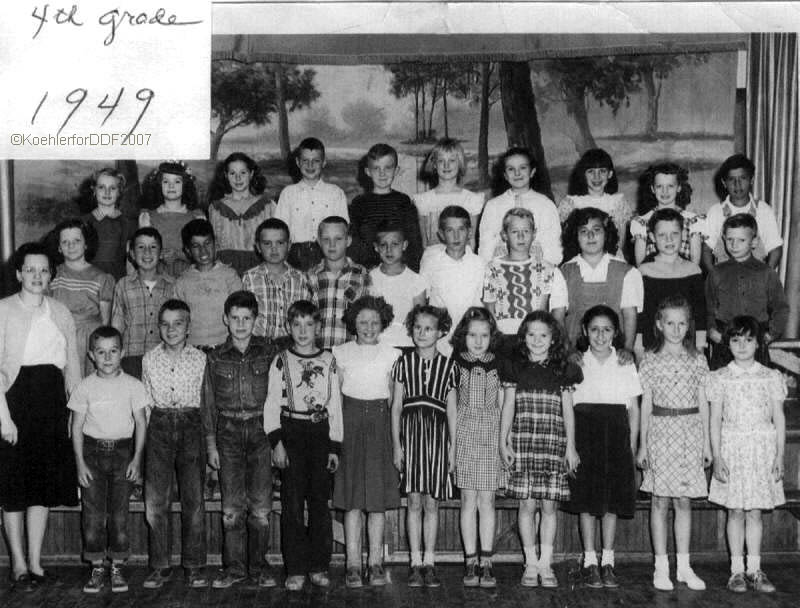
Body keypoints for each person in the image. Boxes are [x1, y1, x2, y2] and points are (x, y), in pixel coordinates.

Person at [0, 242, 81, 592]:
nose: (36, 276)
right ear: (18, 273)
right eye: (29, 269)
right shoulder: (2, 310)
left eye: (43, 270)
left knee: (41, 488)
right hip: (14, 405)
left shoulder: (61, 311)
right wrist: (4, 419)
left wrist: (74, 413)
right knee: (15, 488)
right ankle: (18, 564)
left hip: (51, 406)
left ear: (51, 275)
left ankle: (36, 562)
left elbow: (73, 367)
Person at [263, 300, 343, 591]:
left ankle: (319, 565)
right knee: (293, 505)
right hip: (292, 433)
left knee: (320, 505)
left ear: (319, 327)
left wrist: (334, 446)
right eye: (297, 324)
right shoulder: (281, 360)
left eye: (309, 324)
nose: (303, 330)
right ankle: (295, 567)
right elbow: (272, 403)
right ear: (288, 327)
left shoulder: (329, 360)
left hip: (320, 433)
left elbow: (335, 404)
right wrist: (277, 443)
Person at [202, 291, 279, 589]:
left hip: (261, 432)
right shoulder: (215, 357)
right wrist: (211, 444)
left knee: (260, 508)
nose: (241, 323)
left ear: (256, 320)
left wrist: (277, 439)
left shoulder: (268, 353)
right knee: (231, 510)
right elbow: (208, 405)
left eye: (247, 318)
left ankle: (258, 568)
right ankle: (234, 569)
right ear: (225, 319)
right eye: (235, 318)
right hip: (228, 434)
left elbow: (277, 398)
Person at [499, 310, 581, 589]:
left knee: (548, 505)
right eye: (531, 334)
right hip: (524, 440)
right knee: (527, 504)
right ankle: (530, 563)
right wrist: (504, 440)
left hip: (553, 441)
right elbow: (508, 405)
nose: (537, 340)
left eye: (543, 335)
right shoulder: (515, 366)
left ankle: (546, 563)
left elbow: (568, 410)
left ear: (553, 338)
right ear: (523, 337)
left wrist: (571, 446)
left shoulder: (563, 369)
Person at [636, 296, 711, 592]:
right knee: (659, 500)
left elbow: (704, 404)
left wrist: (706, 444)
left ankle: (684, 566)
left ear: (689, 326)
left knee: (683, 501)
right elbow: (645, 405)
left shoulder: (698, 359)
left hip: (690, 433)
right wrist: (643, 445)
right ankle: (661, 566)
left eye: (682, 323)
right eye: (670, 323)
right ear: (659, 325)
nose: (676, 329)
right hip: (660, 432)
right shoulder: (650, 360)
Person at [707, 316, 786, 594]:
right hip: (732, 449)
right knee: (735, 511)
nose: (742, 345)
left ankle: (755, 569)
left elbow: (779, 417)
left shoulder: (770, 376)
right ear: (728, 344)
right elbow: (714, 420)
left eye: (748, 339)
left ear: (757, 342)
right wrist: (717, 455)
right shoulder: (720, 377)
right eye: (736, 339)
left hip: (761, 451)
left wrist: (778, 456)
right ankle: (736, 571)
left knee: (755, 512)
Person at [565, 306, 641, 589]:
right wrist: (570, 447)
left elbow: (633, 408)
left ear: (616, 333)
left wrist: (631, 446)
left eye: (607, 329)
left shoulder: (625, 362)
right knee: (586, 501)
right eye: (594, 329)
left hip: (616, 436)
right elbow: (568, 409)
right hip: (585, 435)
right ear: (585, 331)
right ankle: (589, 562)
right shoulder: (575, 362)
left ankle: (608, 560)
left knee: (610, 502)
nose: (600, 335)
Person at [68, 326, 147, 594]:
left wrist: (137, 460)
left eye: (113, 351)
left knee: (119, 516)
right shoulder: (84, 387)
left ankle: (117, 567)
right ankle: (97, 568)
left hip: (123, 453)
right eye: (101, 352)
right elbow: (75, 427)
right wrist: (79, 463)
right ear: (91, 355)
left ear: (122, 352)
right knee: (92, 516)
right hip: (91, 454)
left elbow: (141, 423)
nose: (108, 357)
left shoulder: (134, 385)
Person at [332, 296, 401, 588]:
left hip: (379, 424)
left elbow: (395, 399)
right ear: (353, 324)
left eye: (374, 322)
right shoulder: (340, 352)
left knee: (376, 502)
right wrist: (334, 437)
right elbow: (334, 399)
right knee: (351, 500)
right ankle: (352, 564)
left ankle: (374, 563)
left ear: (383, 323)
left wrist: (396, 442)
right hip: (349, 422)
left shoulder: (393, 354)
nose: (369, 327)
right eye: (362, 322)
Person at [141, 300, 208, 589]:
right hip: (159, 426)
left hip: (191, 426)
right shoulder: (148, 358)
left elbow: (206, 403)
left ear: (188, 327)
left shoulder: (201, 359)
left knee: (193, 501)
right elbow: (144, 404)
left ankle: (194, 565)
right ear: (159, 328)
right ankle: (160, 565)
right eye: (165, 324)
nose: (171, 329)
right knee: (156, 502)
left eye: (178, 323)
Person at [391, 305, 458, 588]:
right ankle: (414, 562)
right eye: (417, 327)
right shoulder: (402, 363)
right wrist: (397, 445)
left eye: (428, 328)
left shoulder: (450, 366)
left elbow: (453, 410)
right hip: (411, 436)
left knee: (432, 502)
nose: (422, 333)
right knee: (414, 502)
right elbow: (395, 407)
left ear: (441, 331)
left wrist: (453, 448)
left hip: (438, 437)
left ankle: (430, 561)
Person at [451, 308, 505, 589]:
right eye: (472, 334)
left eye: (484, 335)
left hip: (490, 433)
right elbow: (451, 405)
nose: (478, 340)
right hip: (465, 433)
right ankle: (469, 559)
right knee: (468, 501)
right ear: (463, 335)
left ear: (492, 337)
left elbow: (506, 404)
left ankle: (487, 560)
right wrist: (452, 441)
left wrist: (503, 440)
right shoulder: (456, 363)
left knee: (488, 501)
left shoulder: (499, 363)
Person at [705, 214, 788, 370]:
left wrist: (770, 334)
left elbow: (781, 307)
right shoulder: (716, 273)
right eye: (730, 239)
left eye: (741, 240)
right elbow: (708, 307)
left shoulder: (766, 272)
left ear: (754, 241)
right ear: (723, 239)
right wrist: (712, 331)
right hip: (725, 341)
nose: (734, 245)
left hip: (755, 342)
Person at [482, 207, 568, 348]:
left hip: (537, 341)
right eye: (515, 232)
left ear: (534, 234)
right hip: (502, 342)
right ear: (504, 235)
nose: (521, 237)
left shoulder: (549, 270)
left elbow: (558, 318)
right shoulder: (492, 269)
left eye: (526, 231)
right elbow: (489, 312)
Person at [560, 207, 643, 350]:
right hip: (575, 352)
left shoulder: (627, 272)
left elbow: (630, 315)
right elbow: (558, 317)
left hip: (615, 350)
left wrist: (627, 349)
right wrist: (569, 352)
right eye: (584, 231)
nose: (590, 236)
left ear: (606, 234)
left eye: (597, 230)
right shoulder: (564, 272)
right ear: (576, 236)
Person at [49, 218, 115, 375]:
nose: (71, 246)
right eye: (65, 242)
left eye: (76, 241)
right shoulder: (52, 276)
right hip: (60, 340)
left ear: (86, 244)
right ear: (59, 247)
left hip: (89, 343)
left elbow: (106, 322)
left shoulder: (101, 278)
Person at [638, 208, 706, 355]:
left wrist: (700, 346)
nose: (669, 240)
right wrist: (638, 348)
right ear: (652, 237)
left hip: (687, 347)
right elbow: (641, 315)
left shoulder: (693, 270)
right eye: (662, 235)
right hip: (653, 348)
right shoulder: (643, 271)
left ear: (683, 234)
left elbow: (701, 313)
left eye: (674, 234)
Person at [274, 138, 349, 271]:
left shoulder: (336, 193)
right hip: (295, 257)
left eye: (316, 161)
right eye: (305, 161)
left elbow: (343, 229)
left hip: (327, 255)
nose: (310, 165)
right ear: (297, 162)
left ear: (324, 162)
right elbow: (280, 232)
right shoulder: (288, 193)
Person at [478, 147, 562, 266]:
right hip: (502, 271)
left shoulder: (545, 204)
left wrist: (542, 262)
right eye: (511, 169)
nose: (517, 173)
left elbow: (554, 246)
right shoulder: (493, 206)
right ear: (505, 175)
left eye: (523, 168)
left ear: (532, 171)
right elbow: (485, 247)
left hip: (538, 271)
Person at [110, 227, 175, 379]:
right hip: (130, 357)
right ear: (132, 254)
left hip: (163, 357)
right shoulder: (123, 285)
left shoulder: (172, 286)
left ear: (161, 253)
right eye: (141, 247)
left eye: (153, 247)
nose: (147, 253)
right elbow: (117, 326)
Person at [420, 205, 485, 354]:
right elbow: (423, 301)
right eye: (450, 230)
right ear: (441, 234)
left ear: (469, 232)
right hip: (440, 339)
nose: (456, 236)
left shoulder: (479, 263)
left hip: (471, 337)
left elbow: (482, 303)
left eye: (461, 230)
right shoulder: (431, 262)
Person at [348, 143, 424, 271]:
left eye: (388, 168)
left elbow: (414, 244)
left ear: (397, 170)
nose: (382, 173)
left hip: (399, 272)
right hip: (367, 272)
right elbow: (354, 244)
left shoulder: (404, 202)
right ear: (367, 171)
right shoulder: (359, 204)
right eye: (376, 168)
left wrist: (410, 272)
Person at [702, 153, 783, 270]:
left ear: (752, 179)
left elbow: (775, 249)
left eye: (742, 178)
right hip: (724, 279)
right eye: (732, 179)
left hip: (755, 277)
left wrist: (765, 278)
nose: (737, 184)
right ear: (724, 183)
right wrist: (714, 277)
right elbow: (706, 249)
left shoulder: (764, 210)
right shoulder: (716, 211)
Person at [174, 219, 242, 353]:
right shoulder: (182, 281)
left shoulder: (230, 276)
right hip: (192, 350)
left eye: (207, 243)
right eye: (195, 246)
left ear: (215, 244)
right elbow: (178, 320)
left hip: (226, 348)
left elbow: (240, 313)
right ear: (187, 250)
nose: (203, 250)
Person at [306, 216, 371, 350]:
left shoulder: (361, 274)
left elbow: (366, 315)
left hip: (350, 351)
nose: (332, 244)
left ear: (348, 241)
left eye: (338, 239)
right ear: (318, 241)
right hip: (319, 351)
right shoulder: (311, 276)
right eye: (326, 239)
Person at [242, 218, 309, 344]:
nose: (274, 249)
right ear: (258, 247)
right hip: (259, 345)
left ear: (289, 245)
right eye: (267, 243)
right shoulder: (249, 278)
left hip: (291, 345)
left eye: (280, 243)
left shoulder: (301, 279)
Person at [207, 152, 274, 276]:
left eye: (243, 173)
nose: (238, 178)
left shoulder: (267, 205)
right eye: (233, 173)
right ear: (226, 175)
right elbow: (212, 244)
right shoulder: (215, 208)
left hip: (258, 269)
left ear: (251, 174)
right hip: (225, 270)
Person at [558, 148, 632, 258]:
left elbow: (620, 242)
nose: (596, 177)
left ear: (610, 174)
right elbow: (565, 239)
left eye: (602, 171)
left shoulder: (617, 202)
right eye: (591, 171)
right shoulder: (572, 203)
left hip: (610, 258)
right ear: (583, 174)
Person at [414, 138, 485, 249]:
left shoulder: (471, 200)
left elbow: (472, 241)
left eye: (452, 161)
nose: (446, 166)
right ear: (434, 165)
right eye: (441, 161)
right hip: (435, 261)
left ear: (460, 163)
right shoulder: (424, 200)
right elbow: (424, 244)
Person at [139, 160, 206, 277]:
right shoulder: (148, 217)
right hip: (158, 276)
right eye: (166, 181)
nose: (171, 186)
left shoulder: (196, 217)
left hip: (189, 276)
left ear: (185, 185)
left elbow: (202, 252)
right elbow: (142, 251)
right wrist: (159, 255)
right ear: (159, 185)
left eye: (177, 181)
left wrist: (177, 255)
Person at [368, 221, 428, 348]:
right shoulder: (369, 278)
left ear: (404, 245)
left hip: (406, 346)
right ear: (376, 247)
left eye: (395, 244)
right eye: (383, 244)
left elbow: (419, 321)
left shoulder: (416, 280)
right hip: (376, 346)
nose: (389, 250)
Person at [631, 163, 703, 266]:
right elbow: (640, 266)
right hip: (653, 277)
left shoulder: (692, 221)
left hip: (683, 277)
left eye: (670, 186)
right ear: (652, 189)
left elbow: (695, 265)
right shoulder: (642, 222)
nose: (665, 191)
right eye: (659, 186)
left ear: (678, 188)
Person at [80, 167, 137, 280]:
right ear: (94, 190)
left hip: (117, 279)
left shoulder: (127, 224)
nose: (107, 192)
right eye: (101, 187)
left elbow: (131, 261)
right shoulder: (83, 222)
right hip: (88, 280)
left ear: (119, 192)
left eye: (112, 188)